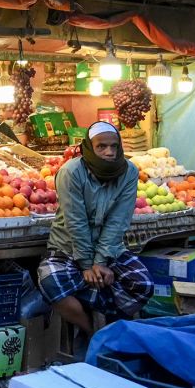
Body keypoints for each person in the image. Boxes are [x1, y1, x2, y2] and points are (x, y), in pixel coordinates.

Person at [37, 121, 152, 340]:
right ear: (88, 147)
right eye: (101, 147)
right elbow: (75, 221)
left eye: (114, 146)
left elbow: (118, 220)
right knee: (50, 281)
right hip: (67, 247)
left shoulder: (128, 172)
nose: (109, 152)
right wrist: (87, 264)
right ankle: (92, 331)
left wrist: (100, 261)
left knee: (142, 284)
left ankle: (111, 327)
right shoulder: (71, 172)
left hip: (109, 249)